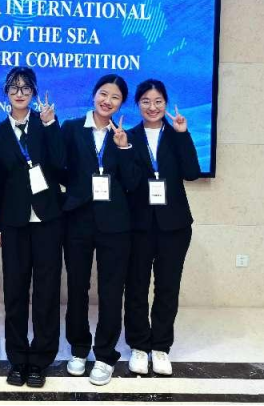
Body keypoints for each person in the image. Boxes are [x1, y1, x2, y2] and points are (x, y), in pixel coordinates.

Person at [61, 74, 140, 386]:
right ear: (94, 94)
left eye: (115, 97)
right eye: (103, 94)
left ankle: (106, 355)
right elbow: (59, 168)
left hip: (115, 224)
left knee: (111, 291)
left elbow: (132, 183)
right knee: (77, 288)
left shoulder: (124, 135)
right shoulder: (71, 128)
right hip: (78, 220)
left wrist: (124, 148)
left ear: (122, 103)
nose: (108, 101)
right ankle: (79, 349)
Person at [0, 67, 66, 389]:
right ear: (6, 93)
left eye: (25, 88)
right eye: (14, 88)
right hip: (14, 222)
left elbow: (61, 164)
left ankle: (40, 359)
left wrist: (50, 125)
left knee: (47, 292)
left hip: (48, 220)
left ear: (34, 93)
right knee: (15, 292)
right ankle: (18, 359)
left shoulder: (44, 124)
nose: (19, 93)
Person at [124, 79, 201, 376]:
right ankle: (139, 346)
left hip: (175, 226)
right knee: (136, 287)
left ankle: (160, 347)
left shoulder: (176, 134)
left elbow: (191, 173)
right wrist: (123, 148)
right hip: (138, 225)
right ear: (137, 104)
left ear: (166, 104)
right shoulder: (128, 136)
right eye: (145, 101)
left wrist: (183, 134)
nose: (152, 107)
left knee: (168, 287)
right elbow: (128, 182)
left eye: (158, 101)